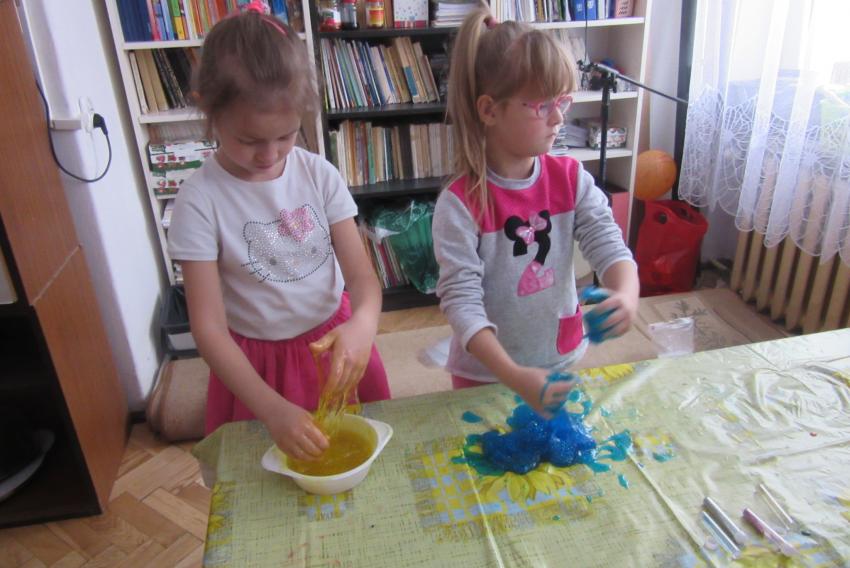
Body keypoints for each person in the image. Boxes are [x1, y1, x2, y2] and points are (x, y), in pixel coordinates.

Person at [167, 6, 389, 461]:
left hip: (333, 349)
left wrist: (363, 325)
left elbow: (364, 281)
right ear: (209, 109)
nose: (269, 155)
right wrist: (270, 408)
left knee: (356, 457)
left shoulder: (319, 175)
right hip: (257, 372)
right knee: (266, 473)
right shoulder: (199, 200)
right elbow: (208, 329)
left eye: (286, 136)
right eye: (249, 140)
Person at [433, 7, 639, 417]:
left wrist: (626, 294)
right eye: (543, 105)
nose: (559, 117)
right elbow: (462, 305)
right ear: (490, 110)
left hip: (559, 359)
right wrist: (514, 375)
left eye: (562, 101)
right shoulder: (459, 205)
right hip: (486, 375)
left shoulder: (571, 178)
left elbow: (608, 243)